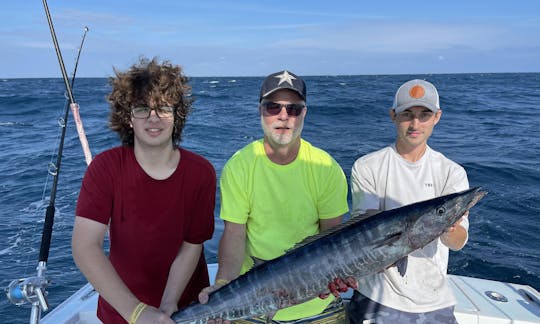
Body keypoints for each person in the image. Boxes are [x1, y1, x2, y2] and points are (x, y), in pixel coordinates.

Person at [72, 57, 216, 324]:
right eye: (142, 109)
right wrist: (136, 313)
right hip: (121, 312)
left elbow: (192, 244)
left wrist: (168, 305)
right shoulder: (105, 168)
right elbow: (84, 247)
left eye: (163, 108)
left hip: (189, 311)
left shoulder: (201, 172)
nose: (153, 118)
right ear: (128, 118)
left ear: (177, 116)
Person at [198, 70, 349, 323]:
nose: (283, 116)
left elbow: (332, 242)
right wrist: (223, 283)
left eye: (293, 109)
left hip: (316, 307)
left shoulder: (327, 168)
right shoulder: (240, 165)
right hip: (252, 302)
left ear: (304, 114)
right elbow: (234, 234)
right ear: (260, 110)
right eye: (273, 107)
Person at [346, 79, 470, 323]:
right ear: (393, 116)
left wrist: (450, 228)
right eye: (407, 115)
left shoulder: (452, 172)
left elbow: (458, 243)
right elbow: (365, 235)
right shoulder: (367, 166)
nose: (415, 124)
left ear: (437, 117)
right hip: (377, 298)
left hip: (435, 300)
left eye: (424, 115)